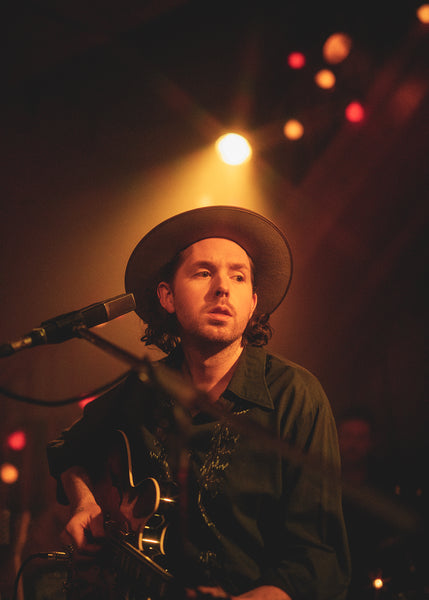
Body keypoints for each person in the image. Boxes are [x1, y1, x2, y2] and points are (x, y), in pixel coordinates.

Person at [47, 206, 350, 600]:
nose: (223, 288)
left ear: (253, 302)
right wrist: (84, 503)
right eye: (204, 272)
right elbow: (66, 450)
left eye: (238, 277)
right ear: (167, 296)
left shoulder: (295, 395)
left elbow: (320, 559)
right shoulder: (141, 387)